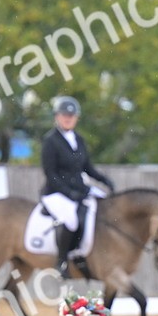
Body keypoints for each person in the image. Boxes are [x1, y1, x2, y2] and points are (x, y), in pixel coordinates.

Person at [40, 96, 115, 278]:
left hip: (79, 190)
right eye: (64, 115)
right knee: (71, 220)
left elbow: (87, 168)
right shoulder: (50, 141)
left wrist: (105, 181)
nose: (68, 118)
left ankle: (88, 254)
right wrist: (69, 193)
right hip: (55, 193)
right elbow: (51, 174)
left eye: (72, 116)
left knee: (103, 208)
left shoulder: (79, 140)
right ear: (57, 117)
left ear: (77, 118)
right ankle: (62, 261)